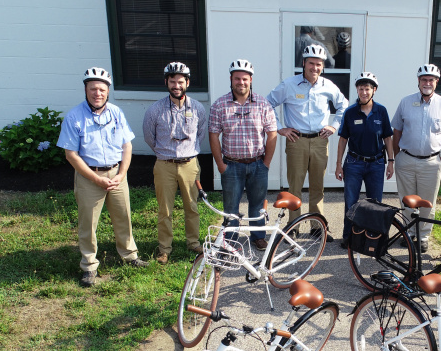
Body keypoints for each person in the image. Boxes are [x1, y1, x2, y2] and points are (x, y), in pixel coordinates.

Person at [57, 67, 148, 287]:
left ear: (108, 91)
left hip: (117, 174)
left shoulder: (116, 112)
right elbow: (71, 154)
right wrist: (96, 179)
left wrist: (122, 173)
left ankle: (129, 255)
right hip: (90, 176)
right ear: (86, 90)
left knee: (123, 216)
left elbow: (127, 145)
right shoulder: (74, 116)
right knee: (88, 223)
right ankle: (89, 265)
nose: (97, 93)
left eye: (101, 89)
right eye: (93, 89)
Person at [267, 44, 349, 242]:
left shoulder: (328, 86)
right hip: (297, 141)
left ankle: (316, 226)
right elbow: (267, 103)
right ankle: (293, 225)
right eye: (311, 63)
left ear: (323, 66)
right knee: (294, 185)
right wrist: (280, 128)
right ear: (303, 63)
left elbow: (343, 105)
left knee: (317, 187)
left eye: (319, 64)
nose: (315, 67)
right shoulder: (289, 85)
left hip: (320, 141)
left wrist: (334, 126)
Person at [209, 59, 278, 251]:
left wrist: (266, 163)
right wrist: (220, 165)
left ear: (251, 80)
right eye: (237, 78)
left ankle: (258, 236)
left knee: (257, 205)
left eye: (245, 79)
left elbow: (272, 134)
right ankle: (230, 241)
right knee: (231, 208)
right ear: (231, 79)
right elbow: (213, 135)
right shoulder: (220, 105)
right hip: (231, 165)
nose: (241, 82)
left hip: (257, 165)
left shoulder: (263, 104)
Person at [142, 62, 207, 265]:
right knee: (165, 209)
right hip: (164, 164)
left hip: (190, 164)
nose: (176, 85)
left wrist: (187, 153)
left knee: (192, 206)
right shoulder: (155, 110)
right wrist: (165, 153)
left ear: (187, 82)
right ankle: (164, 248)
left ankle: (193, 242)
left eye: (180, 81)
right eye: (172, 81)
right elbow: (149, 137)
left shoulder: (197, 108)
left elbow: (200, 134)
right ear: (166, 82)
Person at [391, 64, 441, 252]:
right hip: (406, 159)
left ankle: (424, 236)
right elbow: (397, 131)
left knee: (427, 201)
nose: (427, 83)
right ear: (418, 82)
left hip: (431, 162)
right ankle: (409, 234)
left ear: (436, 82)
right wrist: (397, 157)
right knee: (407, 200)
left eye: (431, 80)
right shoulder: (405, 102)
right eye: (424, 79)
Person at [335, 72, 394, 249]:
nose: (364, 92)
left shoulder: (381, 111)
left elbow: (388, 138)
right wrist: (338, 164)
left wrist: (391, 161)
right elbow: (343, 139)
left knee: (375, 203)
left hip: (376, 163)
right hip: (354, 163)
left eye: (367, 88)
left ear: (374, 90)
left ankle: (373, 237)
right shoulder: (350, 112)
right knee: (351, 202)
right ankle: (349, 237)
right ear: (357, 90)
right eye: (361, 88)